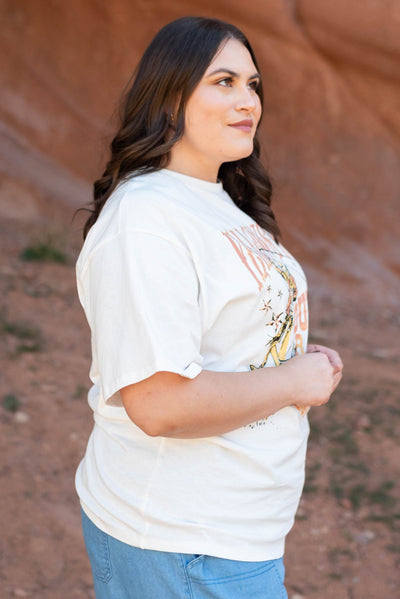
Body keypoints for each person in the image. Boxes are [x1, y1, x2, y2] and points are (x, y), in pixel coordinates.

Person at [76, 16, 343, 599]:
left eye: (253, 85)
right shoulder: (146, 218)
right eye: (223, 81)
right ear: (171, 95)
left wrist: (295, 360)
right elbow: (160, 403)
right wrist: (295, 380)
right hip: (183, 541)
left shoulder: (218, 198)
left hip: (231, 534)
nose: (248, 100)